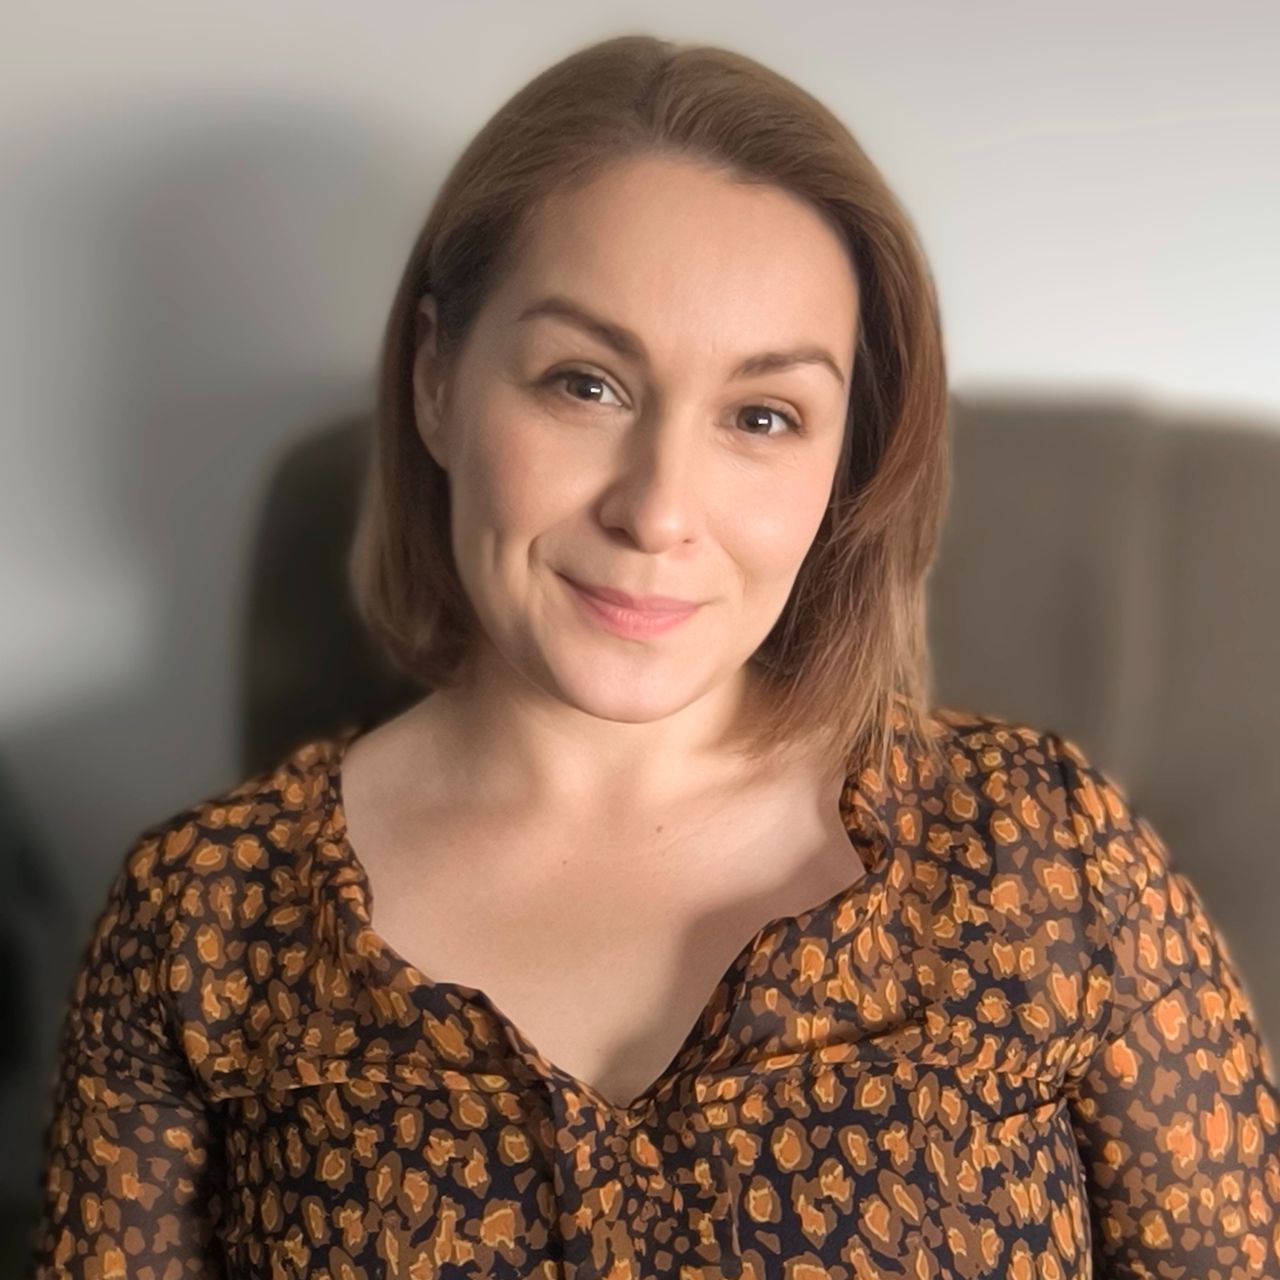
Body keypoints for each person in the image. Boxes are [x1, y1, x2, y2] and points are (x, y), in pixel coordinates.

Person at [30, 33, 1279, 1280]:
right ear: (434, 380)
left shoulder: (1043, 856)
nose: (658, 509)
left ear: (844, 461)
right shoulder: (201, 916)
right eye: (584, 384)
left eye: (761, 415)